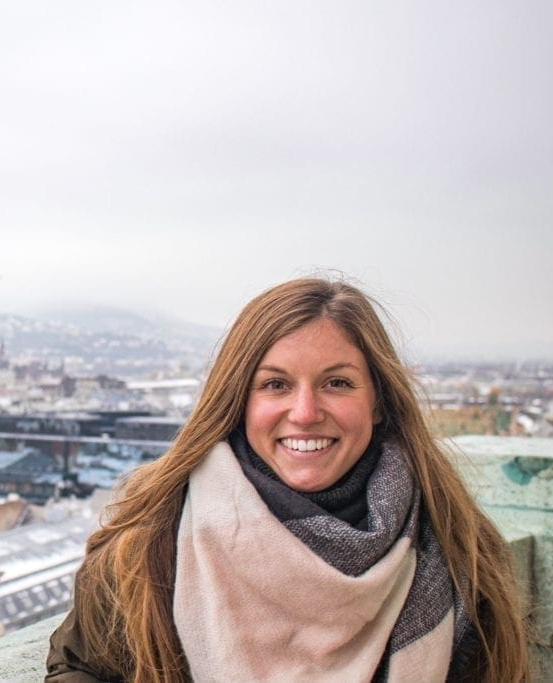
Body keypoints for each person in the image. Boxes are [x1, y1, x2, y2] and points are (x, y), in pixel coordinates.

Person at [46, 278, 530, 682]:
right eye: (275, 384)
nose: (305, 412)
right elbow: (79, 668)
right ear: (239, 401)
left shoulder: (454, 542)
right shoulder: (152, 541)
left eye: (336, 383)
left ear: (379, 402)